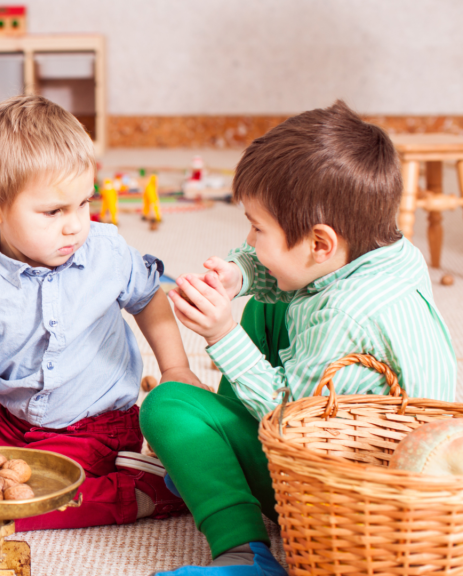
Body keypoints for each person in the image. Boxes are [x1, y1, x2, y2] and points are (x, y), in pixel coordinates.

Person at [142, 101, 456, 576]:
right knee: (268, 309)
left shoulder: (344, 315)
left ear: (320, 243)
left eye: (257, 228)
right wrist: (239, 274)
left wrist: (220, 333)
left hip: (338, 495)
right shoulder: (390, 252)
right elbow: (301, 275)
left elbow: (287, 419)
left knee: (166, 406)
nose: (248, 241)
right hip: (369, 448)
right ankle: (218, 453)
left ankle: (243, 551)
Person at [0, 95, 202, 531]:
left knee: (28, 506)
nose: (75, 225)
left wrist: (175, 366)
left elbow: (147, 296)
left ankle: (139, 494)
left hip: (97, 428)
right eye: (53, 212)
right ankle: (101, 479)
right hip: (15, 427)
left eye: (84, 203)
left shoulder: (105, 250)